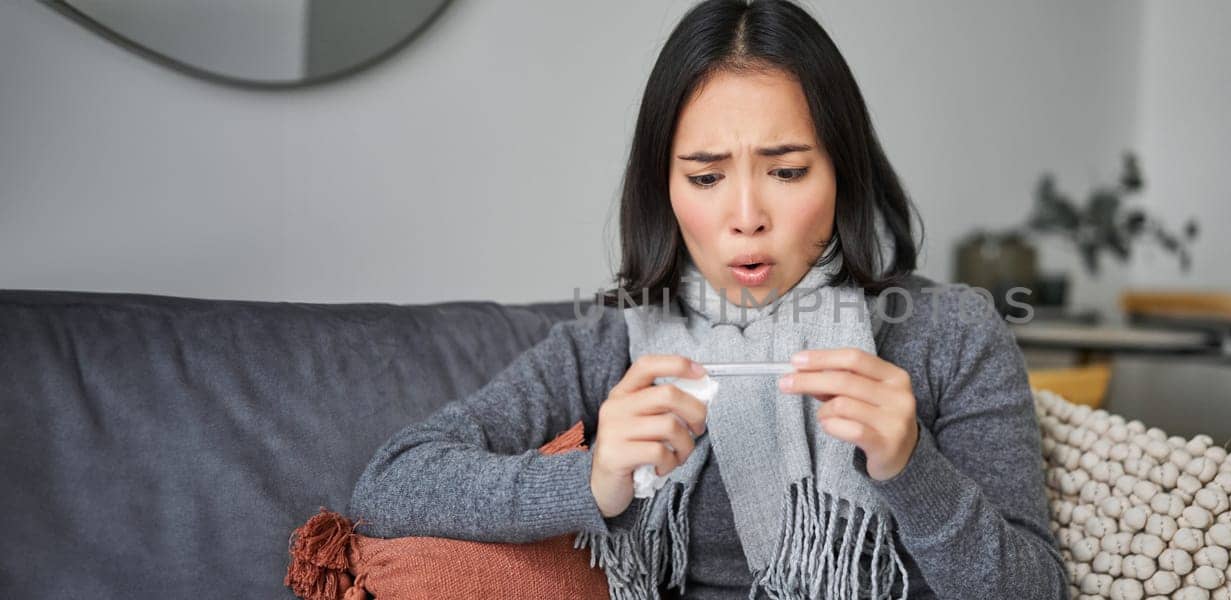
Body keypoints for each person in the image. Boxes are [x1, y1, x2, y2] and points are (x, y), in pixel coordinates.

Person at [349, 1, 1069, 597]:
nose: (746, 215)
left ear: (842, 173)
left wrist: (913, 467)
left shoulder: (948, 333)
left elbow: (1036, 589)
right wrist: (591, 481)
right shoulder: (615, 342)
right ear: (664, 188)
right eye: (705, 177)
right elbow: (391, 483)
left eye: (786, 172)